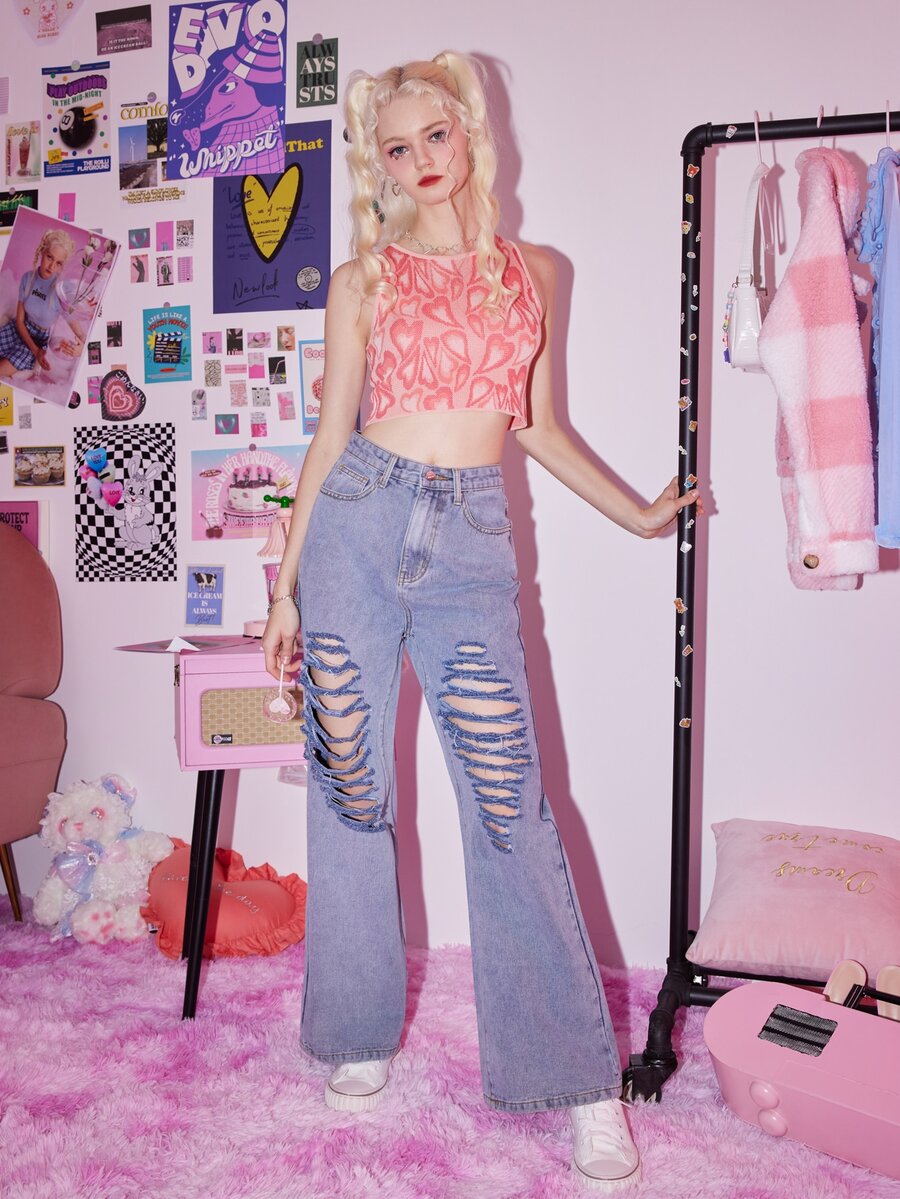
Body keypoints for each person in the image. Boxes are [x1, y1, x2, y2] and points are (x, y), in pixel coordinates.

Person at [262, 51, 701, 1190]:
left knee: (510, 806)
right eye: (396, 146)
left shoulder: (534, 272)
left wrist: (638, 514)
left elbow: (537, 425)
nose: (418, 160)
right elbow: (328, 435)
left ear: (469, 134)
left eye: (434, 135)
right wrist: (284, 588)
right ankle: (358, 1032)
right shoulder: (362, 279)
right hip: (357, 528)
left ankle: (580, 1083)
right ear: (379, 162)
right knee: (351, 788)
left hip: (468, 542)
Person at [0, 228, 84, 377]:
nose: (52, 266)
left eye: (58, 263)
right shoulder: (28, 278)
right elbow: (19, 321)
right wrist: (36, 351)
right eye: (50, 257)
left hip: (37, 340)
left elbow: (79, 332)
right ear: (42, 252)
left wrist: (82, 347)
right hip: (18, 329)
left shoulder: (61, 290)